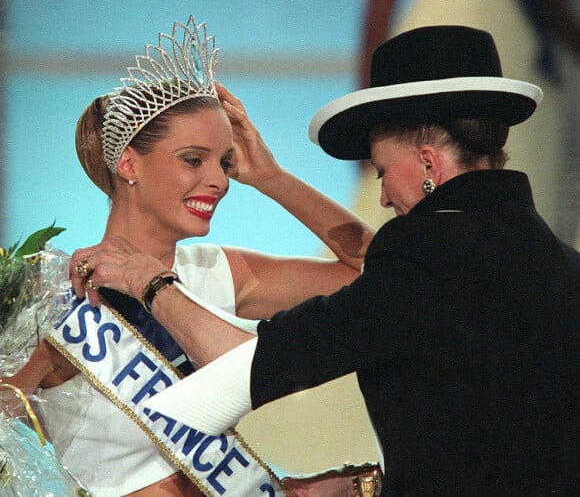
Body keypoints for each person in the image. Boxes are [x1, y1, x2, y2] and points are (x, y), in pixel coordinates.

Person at [74, 25, 580, 495]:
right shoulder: (560, 264)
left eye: (382, 173)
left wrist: (151, 282)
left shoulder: (425, 264)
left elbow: (245, 371)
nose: (383, 200)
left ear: (428, 164)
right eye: (194, 159)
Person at [1, 15, 380, 496]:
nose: (220, 180)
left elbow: (378, 271)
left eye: (224, 162)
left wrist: (272, 178)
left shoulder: (218, 272)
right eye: (193, 159)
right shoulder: (54, 299)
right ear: (129, 163)